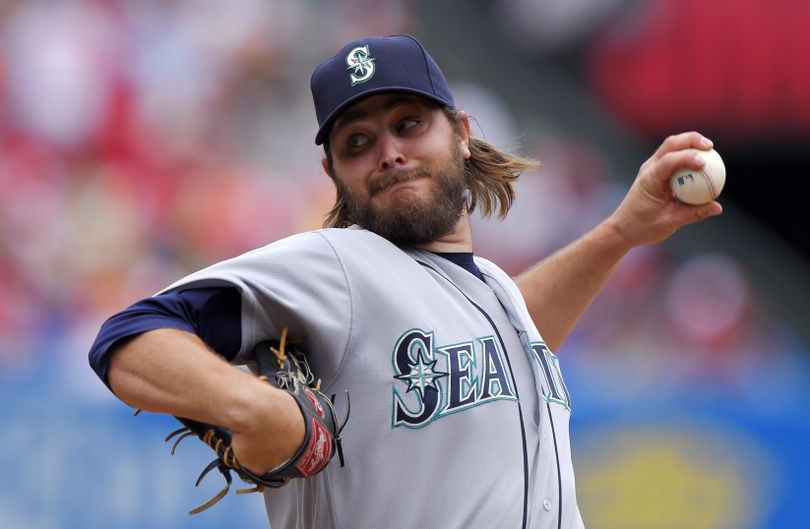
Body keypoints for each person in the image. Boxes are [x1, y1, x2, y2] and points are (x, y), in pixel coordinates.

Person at [88, 34, 722, 529]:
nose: (388, 151)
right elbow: (129, 335)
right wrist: (256, 407)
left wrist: (621, 233)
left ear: (463, 133)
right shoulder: (337, 265)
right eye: (357, 141)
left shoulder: (492, 291)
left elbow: (507, 339)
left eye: (409, 123)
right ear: (334, 174)